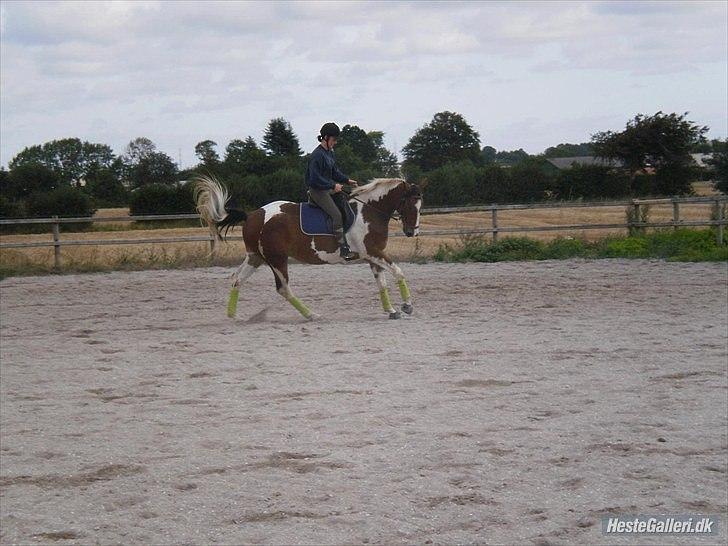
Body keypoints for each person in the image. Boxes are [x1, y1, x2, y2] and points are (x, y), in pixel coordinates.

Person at [305, 122, 359, 260]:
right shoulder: (317, 155)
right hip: (318, 191)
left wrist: (347, 180)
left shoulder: (329, 153)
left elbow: (335, 172)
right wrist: (333, 185)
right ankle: (343, 249)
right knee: (336, 215)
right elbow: (314, 179)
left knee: (346, 206)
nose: (335, 142)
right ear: (326, 138)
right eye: (334, 140)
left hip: (328, 189)